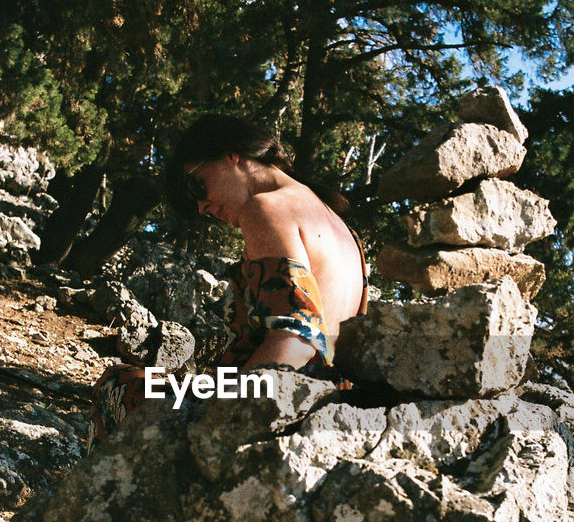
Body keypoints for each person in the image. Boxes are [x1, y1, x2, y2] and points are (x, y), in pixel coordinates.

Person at [88, 114, 368, 442]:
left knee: (118, 385)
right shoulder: (333, 218)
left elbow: (297, 337)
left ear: (231, 155)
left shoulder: (267, 208)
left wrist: (221, 417)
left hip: (279, 403)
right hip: (328, 402)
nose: (202, 206)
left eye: (196, 184)